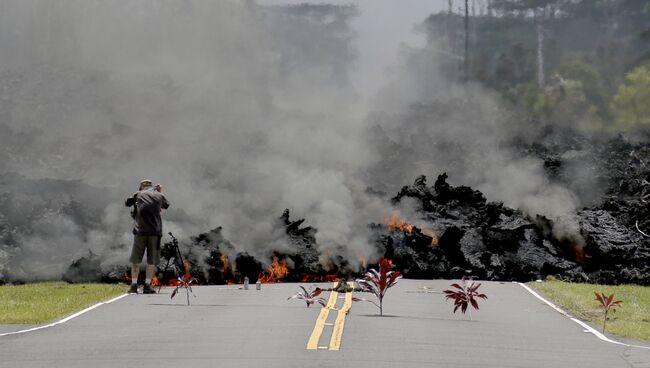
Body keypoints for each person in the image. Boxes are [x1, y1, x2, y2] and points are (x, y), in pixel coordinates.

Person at [125, 179, 170, 294]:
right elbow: (166, 205)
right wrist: (160, 191)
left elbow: (127, 202)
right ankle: (147, 286)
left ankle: (134, 286)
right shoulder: (159, 195)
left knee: (136, 260)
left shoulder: (138, 194)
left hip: (140, 232)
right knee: (152, 261)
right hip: (155, 233)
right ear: (152, 187)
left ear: (141, 187)